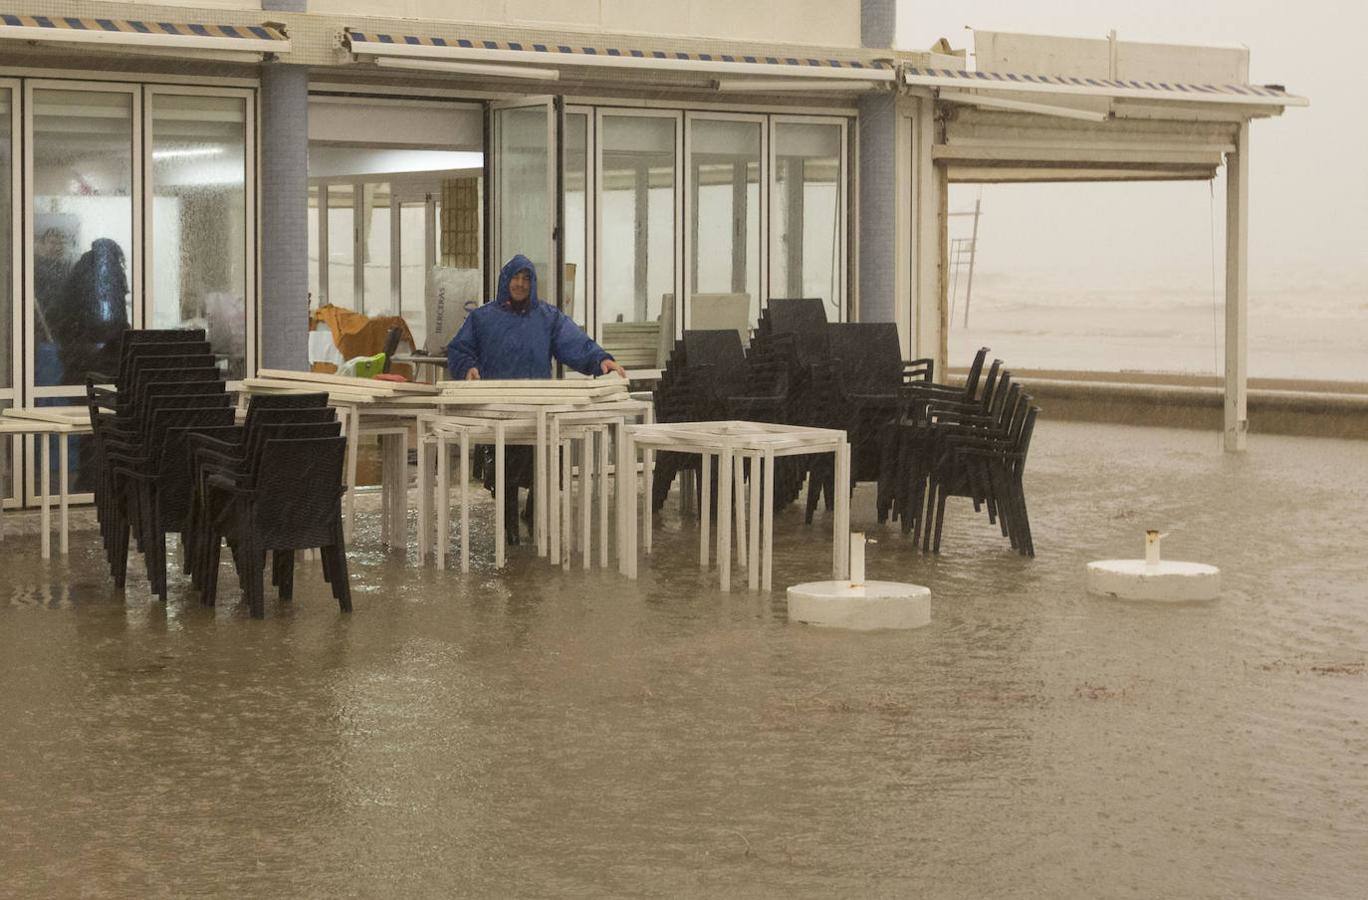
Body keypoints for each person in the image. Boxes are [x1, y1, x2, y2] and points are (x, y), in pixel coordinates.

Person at [446, 254, 626, 545]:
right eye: (515, 278)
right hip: (499, 412)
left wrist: (602, 361)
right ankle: (509, 532)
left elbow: (575, 343)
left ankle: (533, 521)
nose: (520, 284)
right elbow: (459, 349)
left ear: (533, 283)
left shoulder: (547, 317)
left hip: (537, 412)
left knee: (542, 470)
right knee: (505, 476)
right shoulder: (482, 318)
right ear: (505, 280)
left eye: (526, 279)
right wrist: (468, 368)